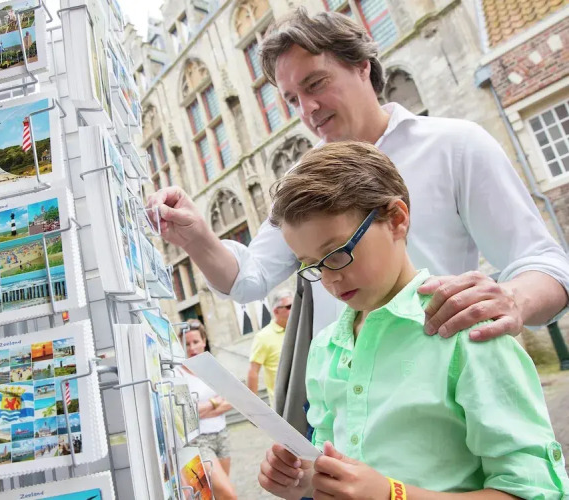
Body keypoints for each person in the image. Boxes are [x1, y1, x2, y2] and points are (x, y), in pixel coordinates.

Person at [146, 8, 569, 433]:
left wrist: (512, 299)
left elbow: (546, 265)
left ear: (362, 65)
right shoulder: (301, 181)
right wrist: (197, 237)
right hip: (341, 416)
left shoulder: (455, 145)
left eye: (315, 84)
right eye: (292, 100)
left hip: (438, 407)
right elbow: (249, 279)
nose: (307, 109)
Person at [258, 141, 569, 499]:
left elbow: (535, 492)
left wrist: (392, 494)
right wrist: (305, 478)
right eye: (311, 265)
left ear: (396, 219)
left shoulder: (467, 330)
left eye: (338, 253)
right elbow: (332, 459)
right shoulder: (325, 347)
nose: (329, 278)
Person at [179, 320, 237, 500]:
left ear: (204, 341)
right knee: (228, 495)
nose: (192, 347)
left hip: (222, 435)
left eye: (195, 342)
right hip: (197, 441)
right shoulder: (178, 374)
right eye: (187, 343)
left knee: (216, 495)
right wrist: (215, 402)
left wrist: (200, 410)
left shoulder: (213, 367)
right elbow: (185, 414)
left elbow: (232, 400)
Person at [247, 291, 293, 407]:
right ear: (276, 311)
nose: (294, 309)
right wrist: (253, 406)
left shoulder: (300, 329)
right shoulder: (263, 337)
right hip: (283, 405)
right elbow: (253, 372)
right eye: (289, 306)